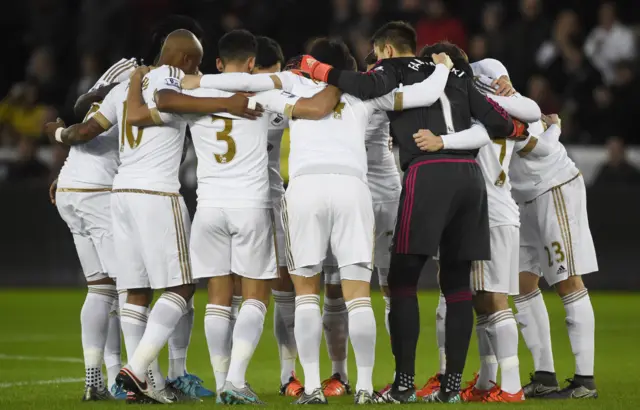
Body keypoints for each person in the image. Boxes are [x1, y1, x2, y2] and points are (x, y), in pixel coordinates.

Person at [298, 22, 527, 403]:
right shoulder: (456, 74)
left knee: (402, 281)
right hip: (471, 179)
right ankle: (450, 387)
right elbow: (502, 123)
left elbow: (364, 87)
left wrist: (318, 69)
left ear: (386, 50)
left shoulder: (393, 71)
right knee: (456, 286)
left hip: (427, 173)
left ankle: (404, 384)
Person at [44, 29, 259, 404]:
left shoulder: (123, 86)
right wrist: (227, 105)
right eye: (198, 60)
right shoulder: (171, 78)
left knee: (135, 290)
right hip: (157, 193)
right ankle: (139, 367)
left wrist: (58, 133)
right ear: (188, 59)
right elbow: (167, 99)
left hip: (121, 193)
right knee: (183, 286)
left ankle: (147, 385)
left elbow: (86, 130)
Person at [418, 56, 542, 403]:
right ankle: (489, 383)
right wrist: (504, 83)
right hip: (497, 209)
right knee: (484, 299)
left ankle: (513, 386)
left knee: (496, 301)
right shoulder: (501, 105)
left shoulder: (469, 107)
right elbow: (530, 110)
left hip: (487, 212)